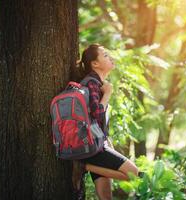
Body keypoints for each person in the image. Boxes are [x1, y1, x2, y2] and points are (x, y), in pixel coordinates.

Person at [75, 43, 140, 200]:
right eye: (104, 55)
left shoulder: (97, 83)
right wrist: (108, 93)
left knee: (106, 197)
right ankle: (83, 167)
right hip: (92, 147)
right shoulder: (91, 83)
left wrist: (107, 141)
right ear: (95, 63)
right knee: (133, 174)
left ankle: (84, 166)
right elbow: (97, 114)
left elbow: (96, 120)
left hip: (97, 144)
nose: (109, 57)